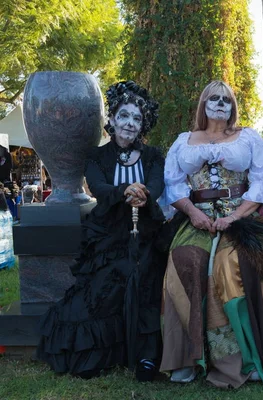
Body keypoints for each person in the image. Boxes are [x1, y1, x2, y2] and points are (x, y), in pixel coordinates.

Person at [161, 80, 263, 388]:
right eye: (212, 98)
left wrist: (235, 216)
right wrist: (194, 213)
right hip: (198, 219)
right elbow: (173, 185)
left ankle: (249, 357)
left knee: (234, 263)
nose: (219, 102)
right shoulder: (183, 141)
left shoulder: (248, 138)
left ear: (233, 106)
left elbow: (261, 182)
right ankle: (189, 357)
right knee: (186, 259)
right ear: (202, 104)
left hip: (244, 217)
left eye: (225, 98)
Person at [36, 81, 166, 381]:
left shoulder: (154, 156)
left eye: (136, 118)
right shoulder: (96, 157)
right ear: (112, 120)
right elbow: (99, 188)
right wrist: (126, 190)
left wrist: (142, 193)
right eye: (124, 116)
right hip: (107, 234)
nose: (130, 123)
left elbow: (157, 187)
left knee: (146, 280)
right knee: (102, 287)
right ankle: (97, 352)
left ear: (143, 124)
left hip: (145, 232)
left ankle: (147, 356)